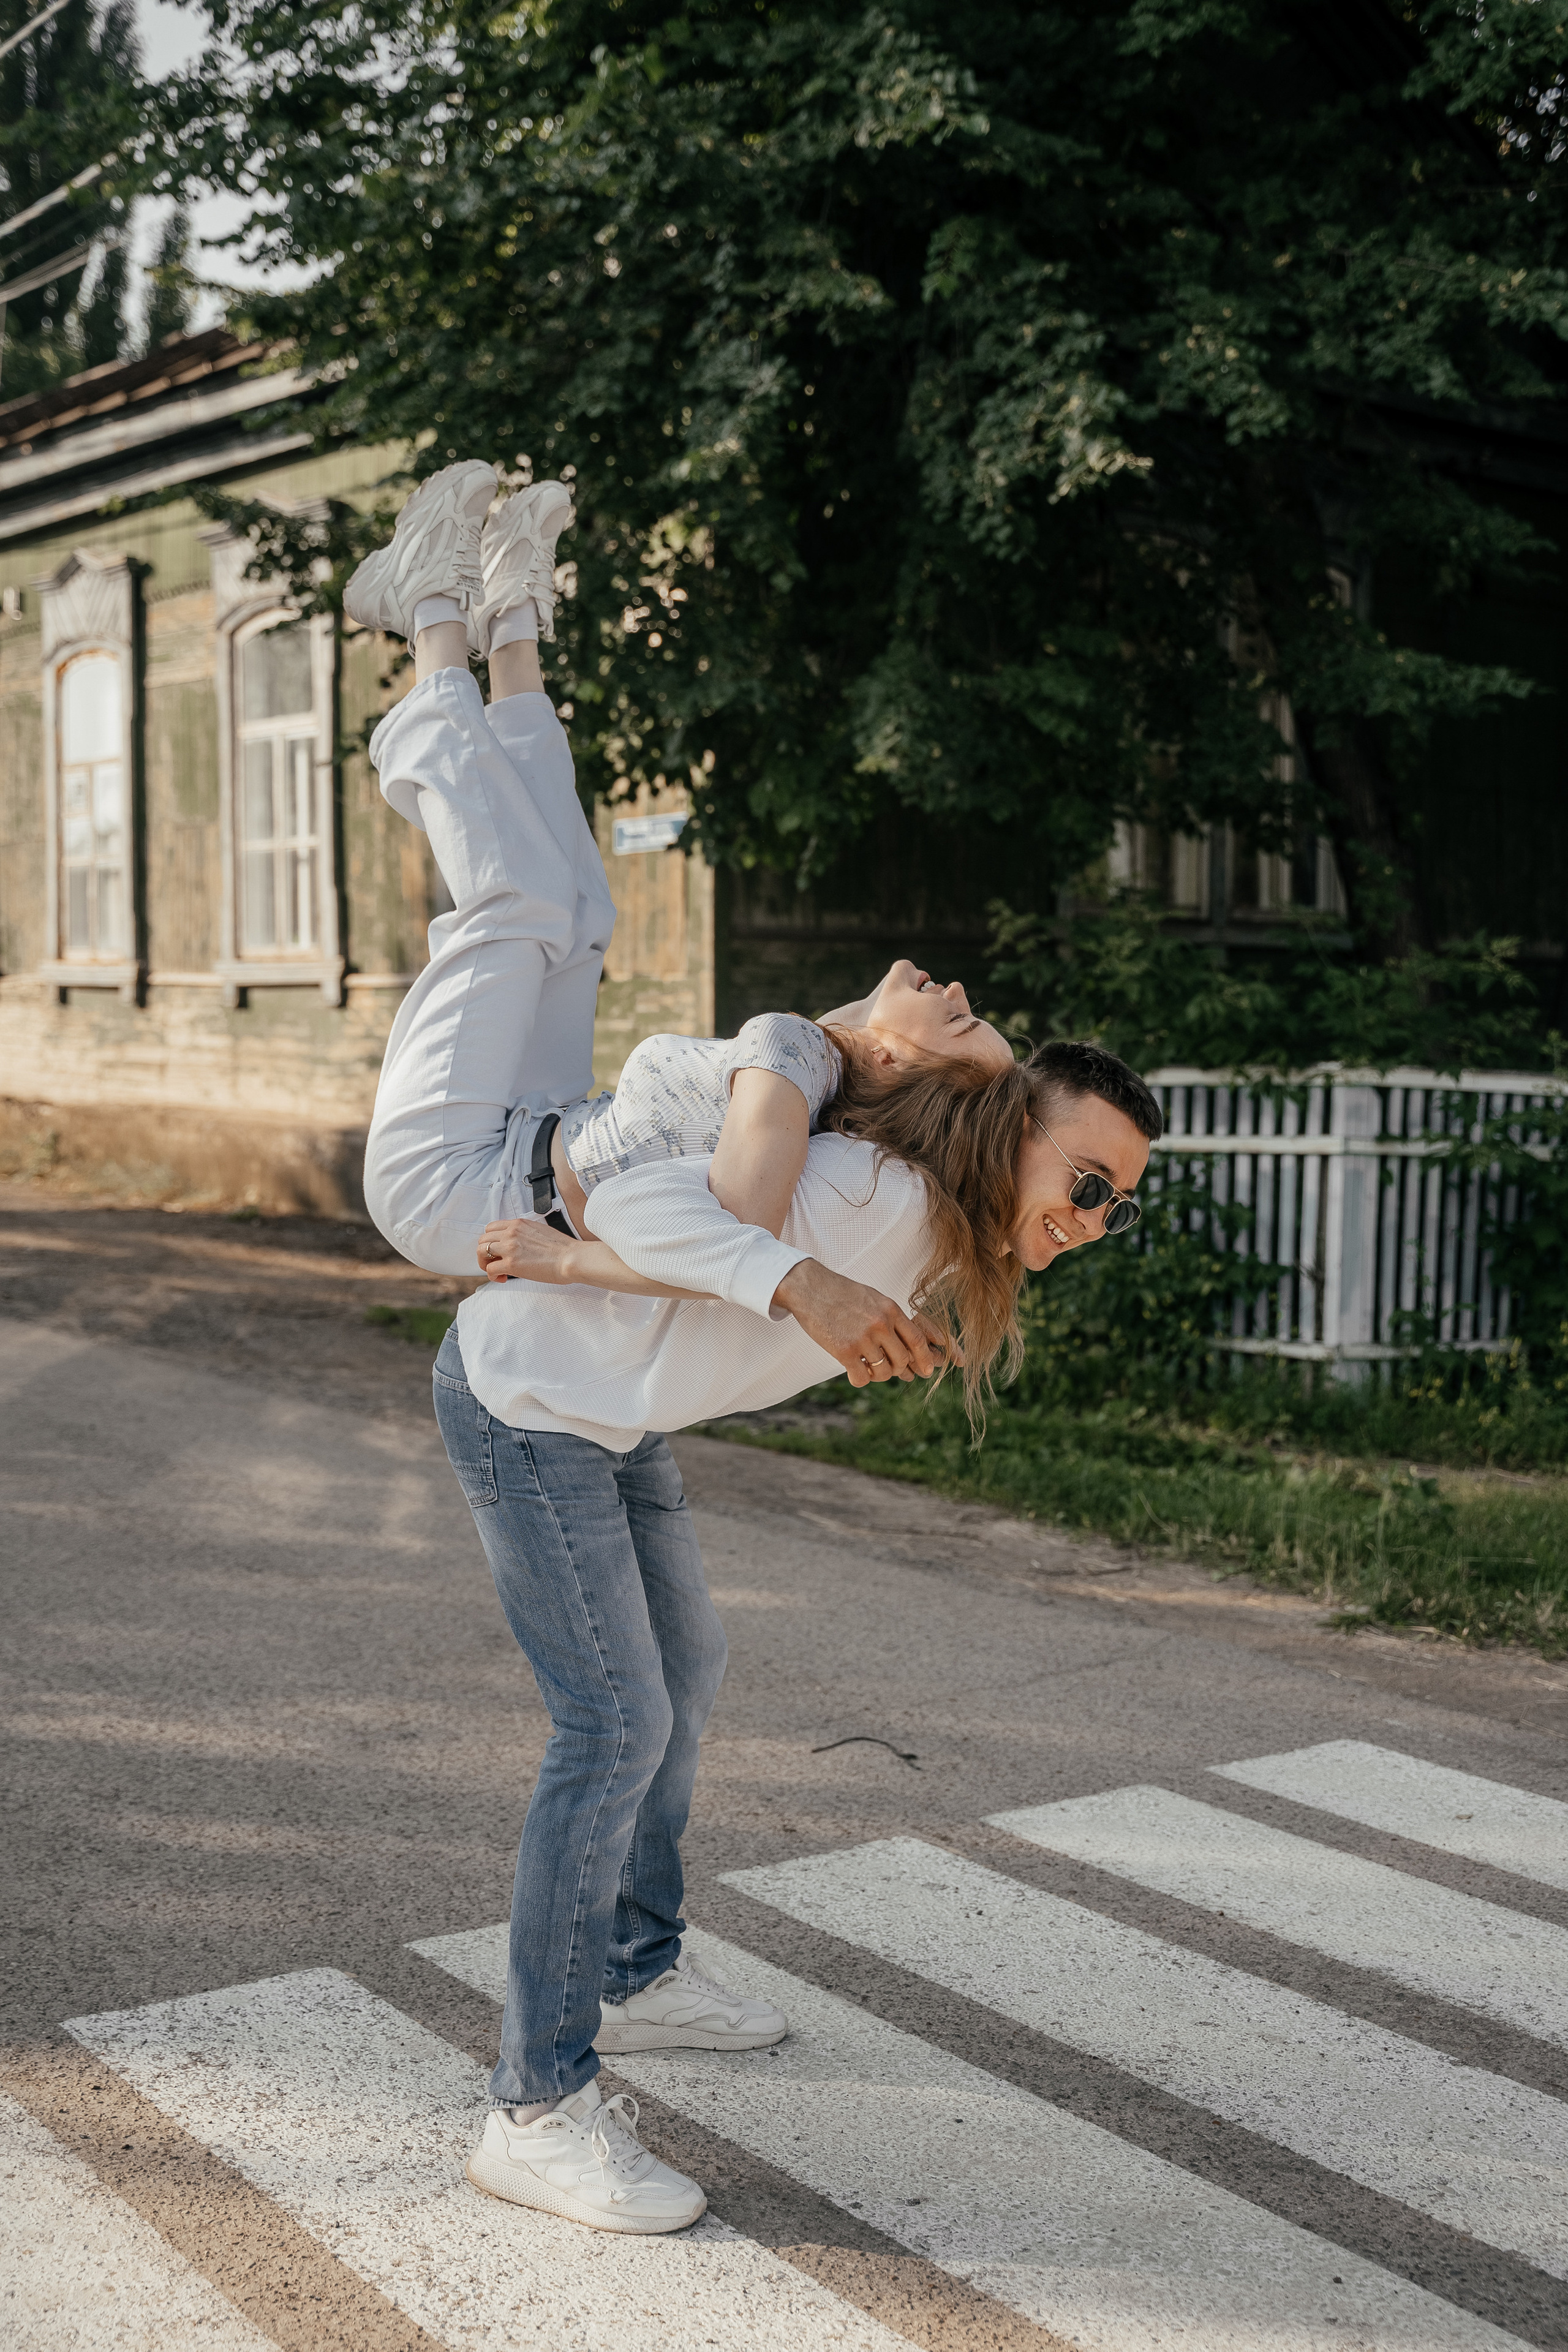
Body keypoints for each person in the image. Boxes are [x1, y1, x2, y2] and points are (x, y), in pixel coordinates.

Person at [345, 461, 1163, 2237]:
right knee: (613, 1722)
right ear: (1014, 1130)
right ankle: (537, 2103)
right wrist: (770, 1267)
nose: (1094, 1222)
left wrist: (621, 1252)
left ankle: (499, 626)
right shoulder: (865, 1185)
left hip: (576, 1352)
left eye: (1116, 1206)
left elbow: (682, 1231)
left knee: (683, 1681)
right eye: (1089, 1184)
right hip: (520, 1370)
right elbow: (705, 1196)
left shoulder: (905, 1213)